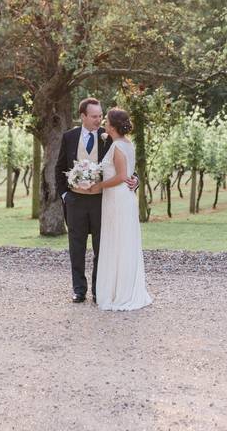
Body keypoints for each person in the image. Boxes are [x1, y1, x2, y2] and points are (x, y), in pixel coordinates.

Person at [54, 98, 138, 304]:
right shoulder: (69, 137)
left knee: (103, 246)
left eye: (100, 116)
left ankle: (98, 290)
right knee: (77, 246)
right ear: (82, 116)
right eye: (94, 116)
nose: (98, 120)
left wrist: (135, 180)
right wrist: (65, 195)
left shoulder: (109, 137)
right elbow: (59, 167)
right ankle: (79, 290)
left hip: (102, 201)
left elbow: (124, 166)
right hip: (75, 201)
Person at [81, 107, 152, 311]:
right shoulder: (125, 143)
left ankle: (119, 292)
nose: (103, 122)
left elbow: (122, 176)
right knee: (122, 242)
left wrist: (98, 186)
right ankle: (122, 287)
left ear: (112, 125)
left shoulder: (117, 147)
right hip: (122, 198)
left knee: (117, 241)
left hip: (117, 199)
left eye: (106, 121)